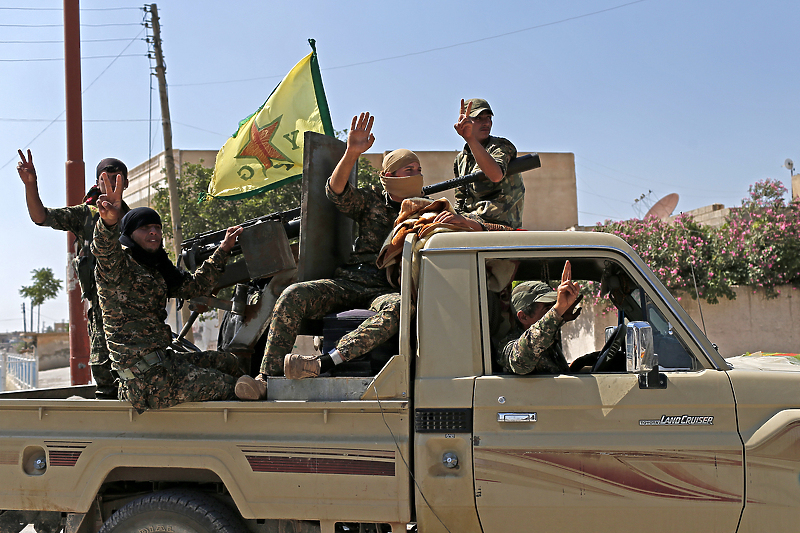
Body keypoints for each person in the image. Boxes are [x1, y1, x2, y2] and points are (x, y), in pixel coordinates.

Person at [236, 112, 430, 398]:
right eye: (408, 169)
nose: (416, 174)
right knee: (293, 295)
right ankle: (266, 378)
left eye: (417, 169)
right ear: (389, 175)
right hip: (351, 282)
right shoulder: (373, 200)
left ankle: (323, 362)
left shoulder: (428, 210)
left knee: (400, 308)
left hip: (387, 287)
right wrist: (352, 152)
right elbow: (336, 191)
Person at [92, 173, 245, 413]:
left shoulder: (157, 269)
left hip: (165, 364)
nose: (153, 232)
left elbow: (195, 287)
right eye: (145, 228)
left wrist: (223, 250)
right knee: (233, 386)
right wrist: (108, 222)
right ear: (129, 234)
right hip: (145, 382)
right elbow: (103, 249)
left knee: (228, 362)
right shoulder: (117, 267)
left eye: (157, 227)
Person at [17, 149, 131, 399]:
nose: (111, 181)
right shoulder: (86, 215)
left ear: (126, 182)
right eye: (105, 176)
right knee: (104, 370)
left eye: (117, 176)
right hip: (102, 308)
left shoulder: (135, 220)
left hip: (135, 308)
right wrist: (31, 185)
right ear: (97, 182)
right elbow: (41, 217)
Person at [496, 261, 582, 375]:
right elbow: (520, 361)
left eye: (554, 305)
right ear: (523, 317)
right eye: (547, 308)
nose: (553, 312)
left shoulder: (547, 339)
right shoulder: (508, 345)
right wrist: (557, 311)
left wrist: (562, 317)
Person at [451, 98, 525, 230]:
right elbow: (460, 201)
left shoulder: (500, 146)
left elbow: (495, 175)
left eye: (489, 117)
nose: (486, 123)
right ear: (465, 121)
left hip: (500, 227)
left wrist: (470, 139)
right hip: (472, 223)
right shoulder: (461, 159)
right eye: (479, 118)